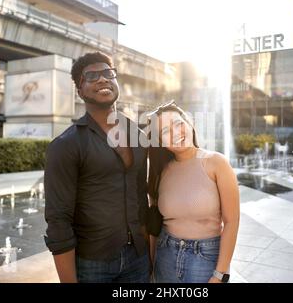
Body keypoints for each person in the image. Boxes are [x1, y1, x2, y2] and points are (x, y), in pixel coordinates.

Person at [44, 52, 150, 283]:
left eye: (108, 74)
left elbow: (142, 197)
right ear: (79, 91)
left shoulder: (138, 135)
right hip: (93, 262)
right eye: (91, 76)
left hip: (139, 258)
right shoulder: (66, 145)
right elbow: (58, 219)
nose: (102, 79)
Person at [146, 101, 240, 283]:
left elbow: (232, 221)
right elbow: (154, 225)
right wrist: (151, 265)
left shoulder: (216, 163)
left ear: (189, 123)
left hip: (205, 259)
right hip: (165, 256)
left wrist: (220, 274)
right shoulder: (161, 172)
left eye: (178, 124)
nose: (175, 133)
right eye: (165, 132)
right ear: (160, 143)